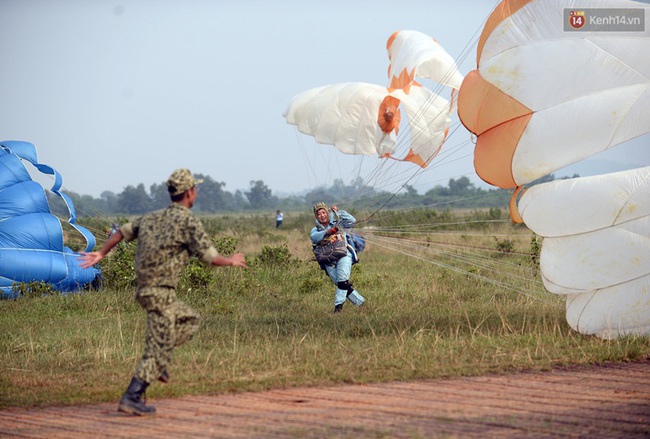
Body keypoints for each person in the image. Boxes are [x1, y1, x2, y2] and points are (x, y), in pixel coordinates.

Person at [79, 168, 247, 416]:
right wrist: (230, 261)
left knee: (190, 320)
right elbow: (209, 257)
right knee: (156, 350)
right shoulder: (187, 221)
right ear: (190, 192)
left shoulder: (151, 217)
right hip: (159, 293)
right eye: (195, 189)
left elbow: (121, 232)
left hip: (151, 291)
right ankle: (132, 396)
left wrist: (101, 253)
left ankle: (159, 362)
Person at [310, 202, 365, 313]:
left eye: (324, 212)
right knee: (341, 284)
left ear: (327, 213)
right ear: (316, 216)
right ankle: (360, 302)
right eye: (319, 214)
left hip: (343, 255)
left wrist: (338, 212)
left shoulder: (339, 224)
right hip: (328, 261)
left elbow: (352, 220)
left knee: (342, 279)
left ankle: (338, 308)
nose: (322, 215)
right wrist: (328, 232)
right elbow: (314, 238)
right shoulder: (316, 230)